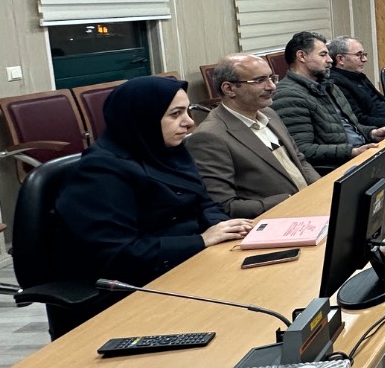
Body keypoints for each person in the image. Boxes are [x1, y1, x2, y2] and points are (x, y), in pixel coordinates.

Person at [56, 75, 251, 287]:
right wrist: (201, 240)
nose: (189, 122)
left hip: (191, 259)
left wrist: (224, 228)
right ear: (143, 117)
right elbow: (119, 253)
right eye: (175, 114)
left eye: (187, 111)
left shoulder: (168, 151)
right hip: (140, 280)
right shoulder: (100, 173)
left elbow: (204, 202)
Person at [186, 54, 320, 218]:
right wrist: (289, 200)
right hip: (276, 218)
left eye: (271, 78)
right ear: (229, 89)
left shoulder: (269, 113)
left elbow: (299, 159)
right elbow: (224, 206)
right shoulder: (209, 137)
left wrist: (321, 189)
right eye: (259, 80)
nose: (272, 86)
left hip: (311, 205)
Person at [271, 31, 385, 174]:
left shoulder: (329, 86)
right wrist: (352, 151)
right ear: (301, 56)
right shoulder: (288, 95)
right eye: (323, 55)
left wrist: (373, 133)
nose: (330, 60)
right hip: (339, 167)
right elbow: (302, 149)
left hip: (360, 153)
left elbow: (350, 127)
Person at [328, 37, 385, 127]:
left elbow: (383, 102)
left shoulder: (357, 75)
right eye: (359, 55)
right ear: (340, 59)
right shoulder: (336, 83)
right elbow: (360, 119)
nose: (364, 59)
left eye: (364, 54)